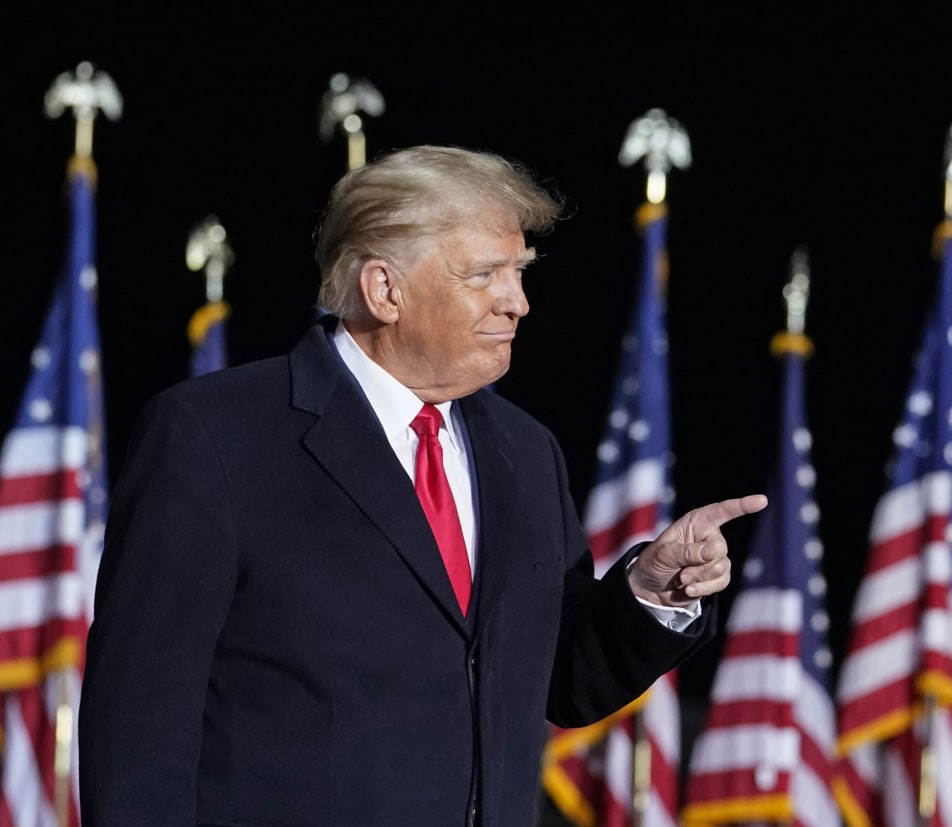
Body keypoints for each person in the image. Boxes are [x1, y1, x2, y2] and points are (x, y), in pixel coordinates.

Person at [78, 145, 766, 827]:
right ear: (385, 289)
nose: (518, 302)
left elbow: (554, 678)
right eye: (485, 274)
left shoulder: (525, 452)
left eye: (520, 272)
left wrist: (647, 590)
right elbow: (140, 721)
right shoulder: (216, 435)